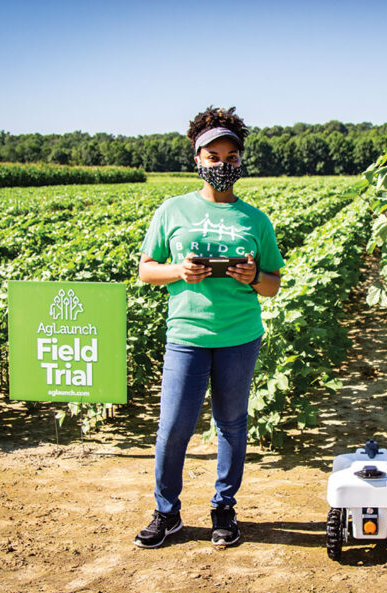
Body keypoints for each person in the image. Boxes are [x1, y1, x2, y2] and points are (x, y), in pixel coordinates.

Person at [133, 107, 285, 549]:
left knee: (231, 425)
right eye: (212, 155)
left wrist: (251, 277)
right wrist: (180, 271)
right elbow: (146, 270)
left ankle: (224, 509)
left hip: (239, 335)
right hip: (186, 335)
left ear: (241, 160)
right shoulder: (172, 209)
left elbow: (272, 284)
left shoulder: (255, 220)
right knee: (174, 426)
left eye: (230, 156)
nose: (222, 164)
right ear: (197, 158)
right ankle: (167, 512)